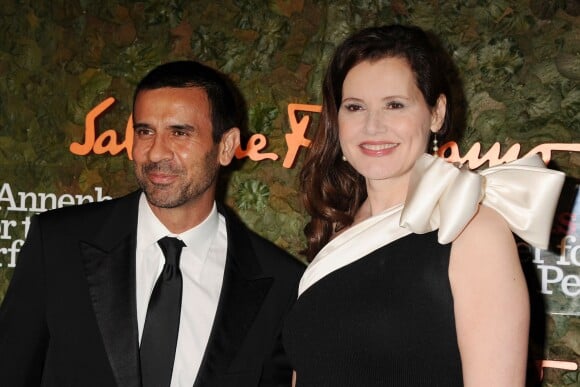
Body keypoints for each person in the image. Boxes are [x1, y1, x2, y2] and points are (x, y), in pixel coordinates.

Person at [282, 25, 565, 386]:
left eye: (395, 105)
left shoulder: (471, 230)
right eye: (355, 107)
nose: (372, 125)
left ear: (436, 113)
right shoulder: (340, 234)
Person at [0, 60, 305, 387]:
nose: (156, 152)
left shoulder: (281, 284)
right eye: (145, 131)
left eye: (179, 132)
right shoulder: (58, 244)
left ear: (226, 146)